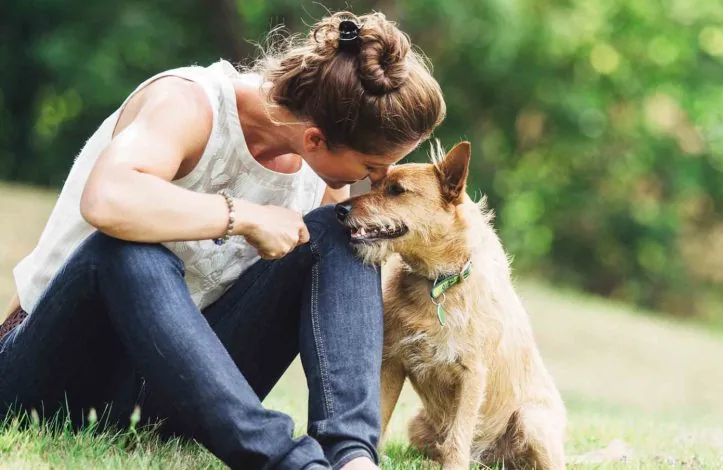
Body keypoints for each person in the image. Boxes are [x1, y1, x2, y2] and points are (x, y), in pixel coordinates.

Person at [0, 11, 445, 470]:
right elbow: (107, 198)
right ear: (314, 139)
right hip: (56, 374)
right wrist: (244, 216)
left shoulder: (319, 177)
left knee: (341, 230)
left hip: (173, 391)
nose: (374, 183)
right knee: (127, 250)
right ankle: (291, 464)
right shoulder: (189, 103)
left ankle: (353, 459)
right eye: (372, 168)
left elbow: (335, 292)